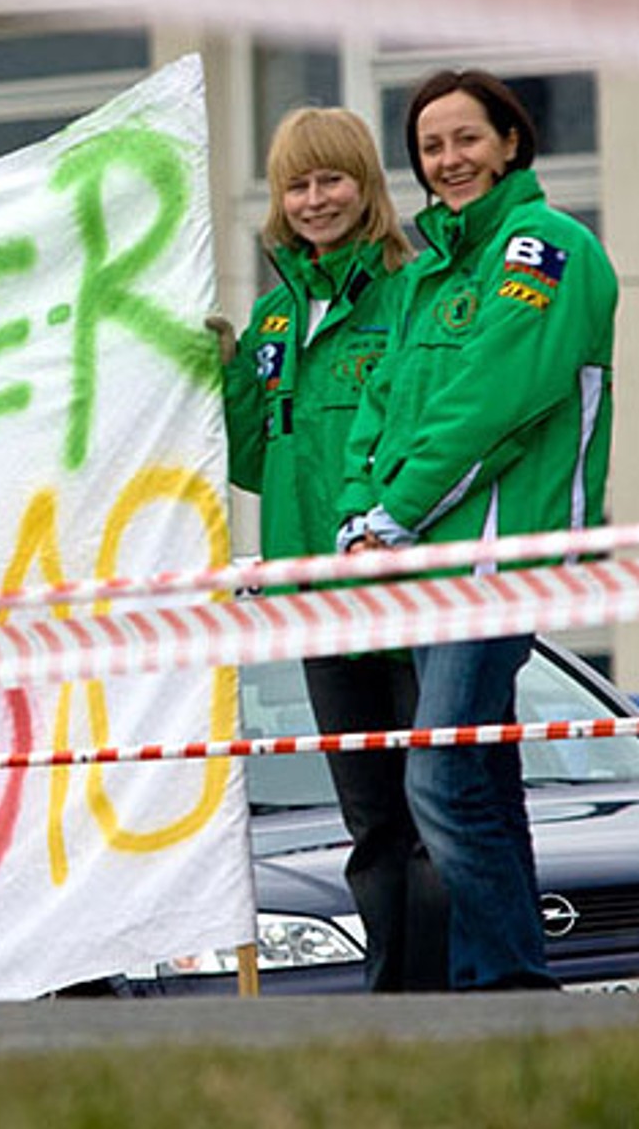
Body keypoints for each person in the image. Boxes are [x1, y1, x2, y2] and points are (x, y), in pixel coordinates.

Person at [338, 69, 617, 991]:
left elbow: (499, 399)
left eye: (466, 139)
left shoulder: (548, 247)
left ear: (510, 141)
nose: (449, 161)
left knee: (441, 781)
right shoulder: (423, 277)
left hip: (496, 563)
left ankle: (496, 987)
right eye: (430, 146)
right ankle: (512, 984)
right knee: (482, 783)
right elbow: (376, 409)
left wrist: (397, 509)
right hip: (419, 564)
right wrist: (357, 511)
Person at [215, 107, 446, 992]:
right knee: (372, 822)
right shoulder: (276, 321)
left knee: (436, 816)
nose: (315, 200)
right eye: (297, 185)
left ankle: (451, 1003)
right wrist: (228, 373)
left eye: (331, 180)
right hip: (314, 607)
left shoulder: (415, 294)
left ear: (369, 186)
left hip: (406, 595)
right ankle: (392, 1003)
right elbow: (249, 463)